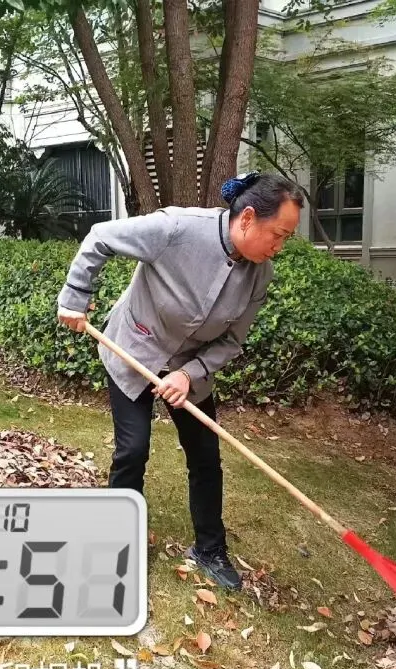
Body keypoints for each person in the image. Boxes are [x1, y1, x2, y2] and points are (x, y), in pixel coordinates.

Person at [56, 172, 305, 590]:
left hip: (191, 368)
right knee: (133, 450)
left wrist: (189, 374)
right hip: (134, 349)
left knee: (205, 457)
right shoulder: (176, 228)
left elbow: (232, 341)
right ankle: (116, 543)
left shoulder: (260, 276)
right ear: (247, 218)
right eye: (277, 235)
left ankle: (209, 550)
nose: (279, 247)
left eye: (286, 239)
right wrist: (75, 297)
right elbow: (100, 237)